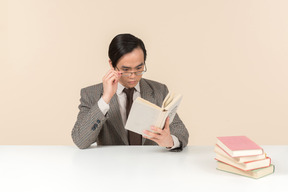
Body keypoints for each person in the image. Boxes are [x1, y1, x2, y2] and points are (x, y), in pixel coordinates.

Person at [72, 33, 189, 151]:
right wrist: (105, 99)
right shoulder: (91, 94)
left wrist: (170, 141)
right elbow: (80, 140)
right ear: (112, 65)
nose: (133, 76)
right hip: (111, 165)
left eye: (139, 68)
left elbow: (182, 132)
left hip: (151, 165)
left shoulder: (159, 90)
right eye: (126, 70)